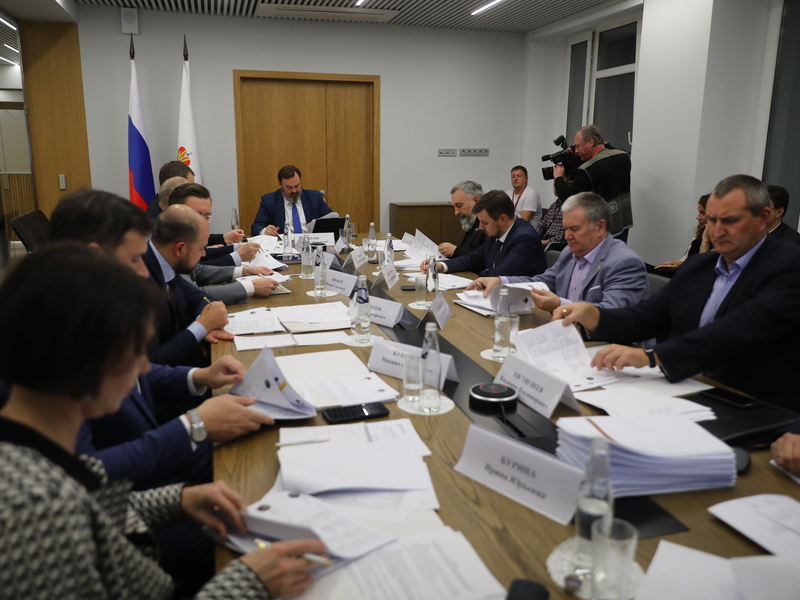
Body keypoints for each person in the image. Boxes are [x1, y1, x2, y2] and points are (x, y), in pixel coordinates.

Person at [0, 244, 324, 600]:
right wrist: (248, 584)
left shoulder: (32, 444)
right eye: (137, 352)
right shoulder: (33, 510)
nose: (144, 367)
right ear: (86, 361)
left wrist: (178, 500)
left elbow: (88, 500)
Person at [50, 188, 275, 594]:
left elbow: (141, 373)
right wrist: (193, 426)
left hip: (138, 492)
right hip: (123, 516)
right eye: (136, 259)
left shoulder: (88, 311)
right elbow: (84, 480)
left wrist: (199, 378)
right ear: (96, 255)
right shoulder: (56, 339)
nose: (144, 272)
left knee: (260, 448)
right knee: (259, 526)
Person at [559, 174, 800, 401]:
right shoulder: (700, 266)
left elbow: (739, 329)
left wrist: (652, 356)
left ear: (763, 217)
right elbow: (648, 316)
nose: (717, 231)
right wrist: (595, 315)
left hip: (756, 402)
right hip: (687, 388)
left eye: (729, 221)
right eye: (711, 220)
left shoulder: (789, 264)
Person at [467, 192, 647, 312]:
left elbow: (612, 312)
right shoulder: (569, 253)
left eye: (574, 229)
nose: (567, 236)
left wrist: (561, 305)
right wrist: (501, 281)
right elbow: (542, 282)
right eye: (565, 229)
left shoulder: (624, 262)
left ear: (600, 227)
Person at [146, 205, 232, 367]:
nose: (204, 254)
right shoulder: (140, 280)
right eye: (200, 248)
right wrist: (202, 326)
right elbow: (151, 362)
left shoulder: (163, 261)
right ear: (180, 248)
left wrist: (207, 321)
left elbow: (198, 297)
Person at [168, 183, 276, 303]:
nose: (203, 223)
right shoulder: (168, 247)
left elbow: (197, 271)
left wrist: (244, 271)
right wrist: (251, 287)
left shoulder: (182, 238)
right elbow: (193, 296)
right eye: (196, 215)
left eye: (207, 216)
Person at [422, 190, 547, 278]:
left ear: (502, 219)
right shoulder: (495, 233)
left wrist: (480, 274)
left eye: (485, 222)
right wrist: (441, 266)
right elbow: (473, 259)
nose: (481, 227)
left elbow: (501, 275)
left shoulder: (525, 238)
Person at [553, 125, 632, 241]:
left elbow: (568, 198)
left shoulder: (587, 169)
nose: (577, 151)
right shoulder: (623, 156)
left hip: (601, 229)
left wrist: (558, 177)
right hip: (622, 221)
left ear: (590, 142)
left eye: (578, 146)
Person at [251, 165, 332, 236]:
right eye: (289, 188)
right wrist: (265, 231)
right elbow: (256, 227)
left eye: (297, 186)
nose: (294, 191)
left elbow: (332, 220)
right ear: (280, 184)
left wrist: (320, 224)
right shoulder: (269, 201)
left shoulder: (314, 197)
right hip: (283, 245)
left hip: (311, 244)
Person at [654, 194, 713, 274]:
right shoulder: (701, 231)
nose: (697, 217)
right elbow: (686, 258)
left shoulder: (722, 242)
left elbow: (703, 271)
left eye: (703, 213)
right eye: (699, 212)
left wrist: (705, 241)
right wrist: (676, 264)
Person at [437, 180, 487, 258]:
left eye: (459, 205)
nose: (456, 212)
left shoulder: (488, 225)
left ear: (476, 200)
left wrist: (455, 251)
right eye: (454, 207)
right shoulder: (472, 222)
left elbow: (483, 258)